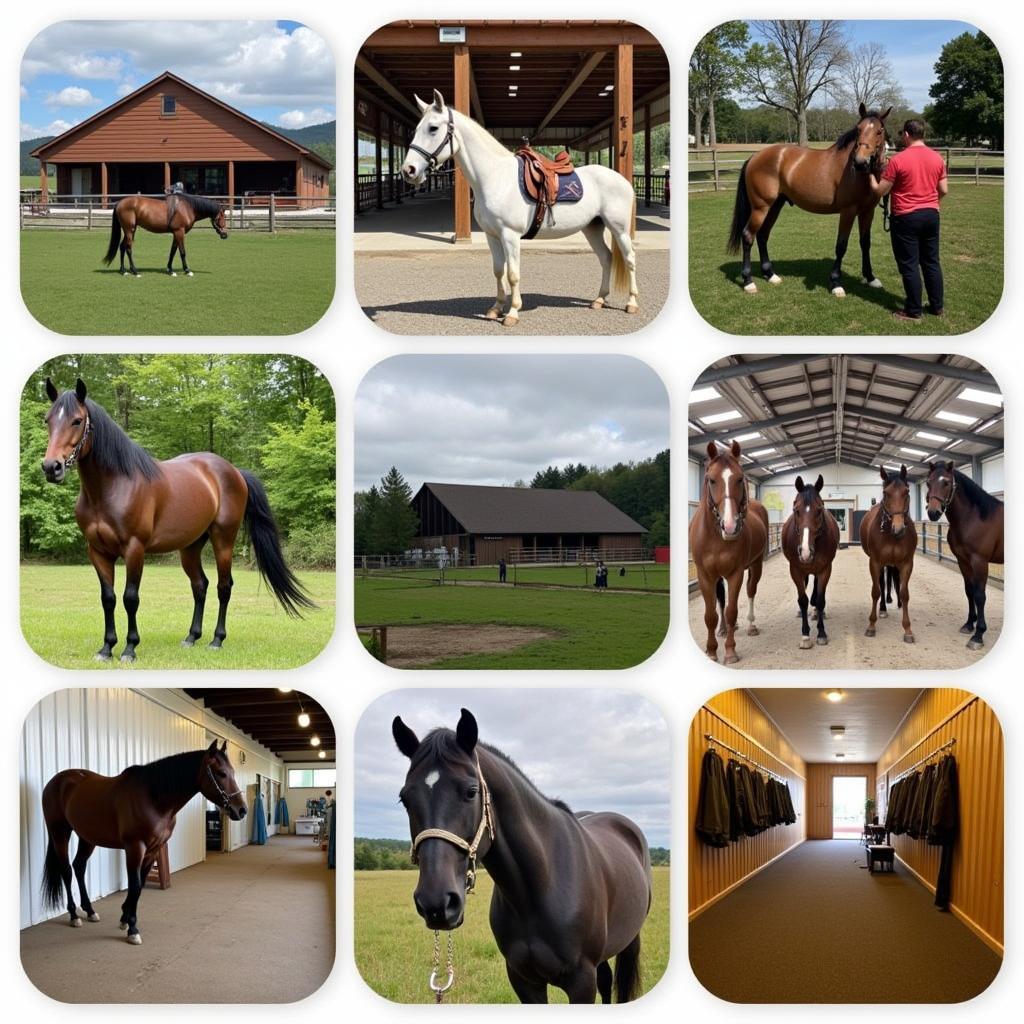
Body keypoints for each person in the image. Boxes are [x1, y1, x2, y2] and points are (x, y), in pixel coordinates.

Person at [868, 119, 948, 322]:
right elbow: (944, 190)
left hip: (906, 217)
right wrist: (931, 202)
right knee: (931, 261)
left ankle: (913, 311)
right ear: (923, 134)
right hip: (931, 215)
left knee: (909, 265)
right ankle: (937, 307)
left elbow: (880, 190)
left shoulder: (898, 160)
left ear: (906, 135)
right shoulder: (937, 158)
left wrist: (870, 174)